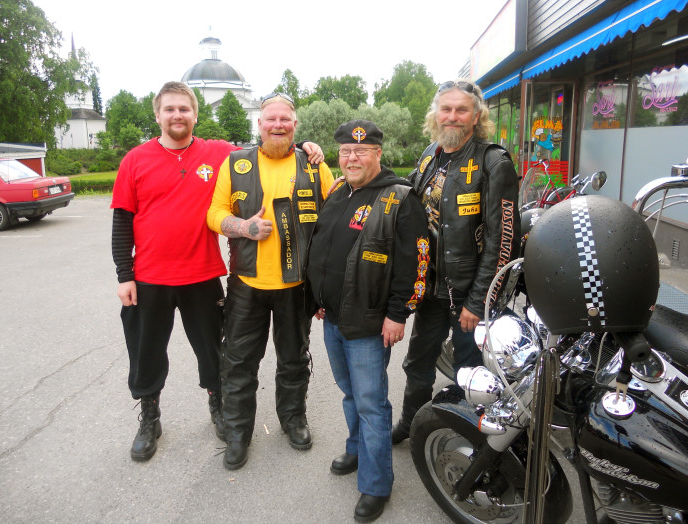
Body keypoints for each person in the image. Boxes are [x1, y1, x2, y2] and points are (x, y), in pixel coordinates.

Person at [111, 82, 323, 462]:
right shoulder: (139, 160)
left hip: (215, 277)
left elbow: (277, 148)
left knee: (233, 356)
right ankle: (160, 420)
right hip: (160, 278)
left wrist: (307, 146)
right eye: (170, 109)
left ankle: (245, 413)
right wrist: (124, 273)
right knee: (156, 354)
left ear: (195, 114)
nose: (177, 115)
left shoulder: (225, 153)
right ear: (158, 115)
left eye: (184, 109)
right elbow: (127, 220)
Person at [306, 120, 429, 522]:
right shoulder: (338, 191)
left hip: (371, 322)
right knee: (349, 392)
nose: (352, 158)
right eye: (345, 151)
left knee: (372, 404)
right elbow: (323, 248)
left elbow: (416, 262)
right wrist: (318, 298)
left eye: (361, 151)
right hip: (333, 317)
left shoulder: (400, 197)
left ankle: (376, 484)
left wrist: (398, 313)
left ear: (378, 153)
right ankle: (357, 449)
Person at [206, 93, 334, 471]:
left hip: (297, 285)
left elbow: (335, 218)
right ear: (259, 124)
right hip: (247, 283)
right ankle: (238, 432)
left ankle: (293, 419)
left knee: (294, 359)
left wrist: (326, 286)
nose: (278, 125)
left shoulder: (314, 165)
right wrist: (243, 227)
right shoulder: (236, 163)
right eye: (271, 119)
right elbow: (214, 213)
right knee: (238, 362)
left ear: (295, 125)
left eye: (285, 119)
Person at [391, 79, 521, 444]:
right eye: (445, 109)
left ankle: (469, 439)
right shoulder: (431, 154)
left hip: (469, 294)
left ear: (476, 116)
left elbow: (503, 241)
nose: (452, 116)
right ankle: (412, 424)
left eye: (461, 110)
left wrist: (478, 301)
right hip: (432, 289)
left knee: (470, 373)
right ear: (436, 114)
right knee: (418, 363)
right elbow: (408, 198)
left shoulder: (493, 162)